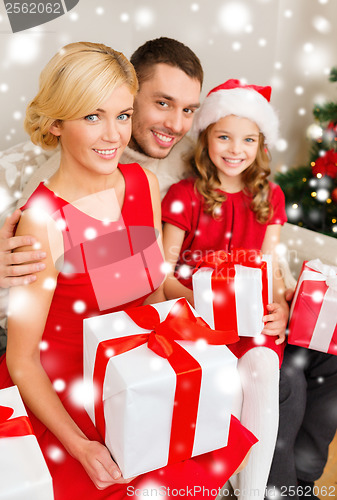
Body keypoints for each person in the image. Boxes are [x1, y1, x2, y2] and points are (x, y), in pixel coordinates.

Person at [0, 42, 257, 500]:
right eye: (92, 116)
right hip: (69, 393)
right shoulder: (41, 220)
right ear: (56, 123)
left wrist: (220, 298)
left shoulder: (143, 182)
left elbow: (156, 286)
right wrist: (80, 446)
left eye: (121, 115)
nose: (113, 135)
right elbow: (22, 360)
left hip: (137, 370)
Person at [0, 36, 202, 318]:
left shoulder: (189, 156)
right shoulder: (60, 181)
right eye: (163, 103)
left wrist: (281, 294)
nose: (177, 125)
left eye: (188, 110)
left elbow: (252, 200)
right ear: (129, 92)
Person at [161, 79, 289, 500]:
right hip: (197, 316)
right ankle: (211, 488)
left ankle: (251, 492)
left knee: (264, 375)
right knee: (222, 386)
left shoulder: (269, 196)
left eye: (248, 139)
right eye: (224, 136)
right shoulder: (183, 195)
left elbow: (271, 269)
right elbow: (162, 272)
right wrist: (193, 302)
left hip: (251, 319)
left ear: (260, 145)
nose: (236, 149)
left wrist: (281, 309)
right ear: (206, 138)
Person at [266, 342, 337, 500]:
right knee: (290, 380)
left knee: (333, 357)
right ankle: (283, 493)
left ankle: (302, 481)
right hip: (241, 337)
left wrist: (290, 317)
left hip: (282, 330)